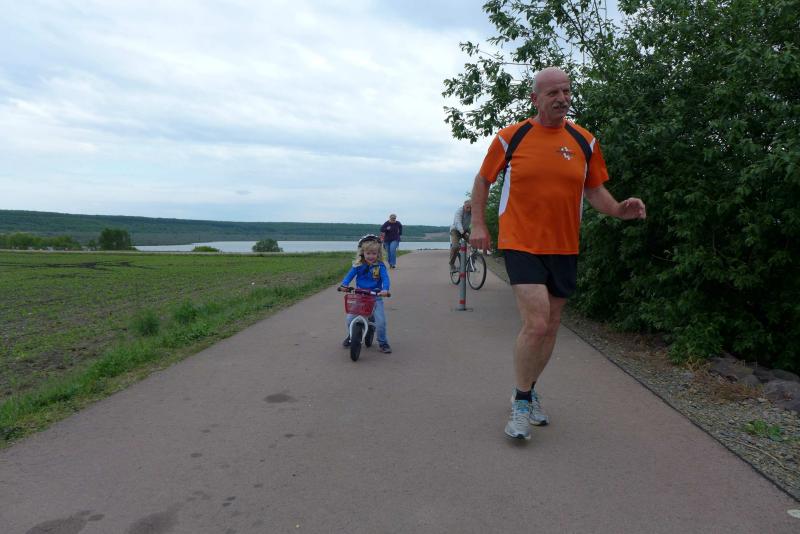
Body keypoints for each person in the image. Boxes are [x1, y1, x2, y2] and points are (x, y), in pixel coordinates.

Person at [469, 66, 646, 441]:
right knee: (536, 323)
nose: (562, 98)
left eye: (566, 91)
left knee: (550, 326)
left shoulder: (584, 141)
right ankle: (521, 403)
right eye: (553, 93)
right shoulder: (511, 137)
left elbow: (594, 190)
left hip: (564, 245)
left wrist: (618, 209)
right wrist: (479, 224)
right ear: (535, 99)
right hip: (521, 241)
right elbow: (483, 180)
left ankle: (528, 390)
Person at [339, 234, 392, 353]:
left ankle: (383, 342)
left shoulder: (380, 266)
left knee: (380, 322)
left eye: (374, 253)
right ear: (363, 252)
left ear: (378, 253)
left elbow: (385, 279)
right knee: (349, 319)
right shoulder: (358, 265)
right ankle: (351, 336)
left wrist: (385, 289)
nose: (371, 256)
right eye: (368, 253)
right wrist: (344, 285)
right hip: (360, 296)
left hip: (375, 297)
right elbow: (349, 276)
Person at [449, 200, 472, 272]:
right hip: (456, 230)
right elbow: (457, 222)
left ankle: (471, 264)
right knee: (455, 246)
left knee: (474, 243)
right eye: (467, 207)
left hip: (466, 229)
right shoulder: (459, 211)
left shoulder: (472, 212)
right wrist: (463, 232)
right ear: (464, 206)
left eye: (470, 207)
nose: (469, 209)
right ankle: (452, 264)